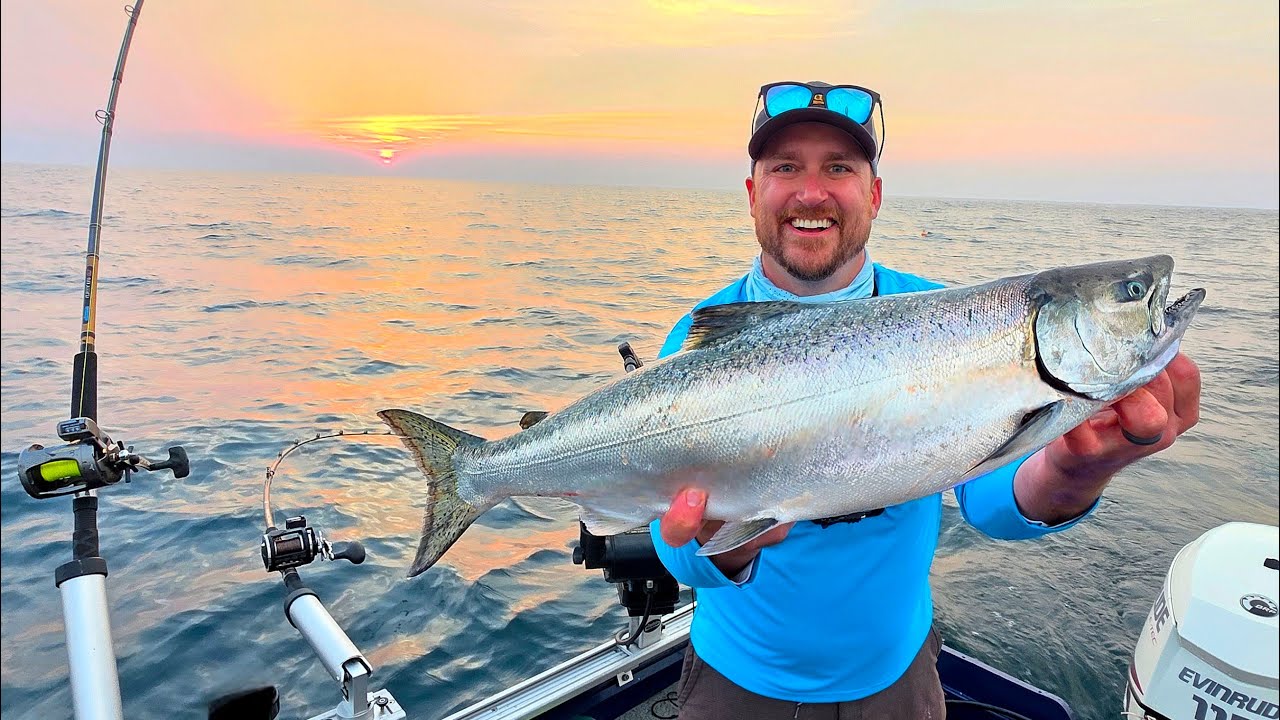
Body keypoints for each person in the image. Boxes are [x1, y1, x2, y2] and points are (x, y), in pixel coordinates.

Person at [646, 81, 1202, 719]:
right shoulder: (699, 336)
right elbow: (675, 546)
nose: (811, 191)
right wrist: (728, 545)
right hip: (733, 683)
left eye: (839, 168)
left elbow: (991, 501)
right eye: (785, 167)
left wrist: (1077, 468)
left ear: (874, 194)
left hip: (894, 684)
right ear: (752, 194)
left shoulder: (951, 318)